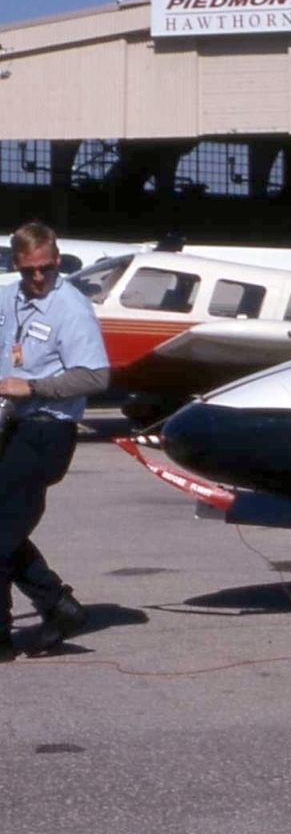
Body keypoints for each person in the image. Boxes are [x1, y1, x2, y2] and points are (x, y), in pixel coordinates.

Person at [0, 222, 109, 661]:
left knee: (2, 531)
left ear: (57, 261)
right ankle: (60, 607)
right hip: (13, 425)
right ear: (16, 266)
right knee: (5, 528)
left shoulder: (72, 308)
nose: (38, 279)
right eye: (29, 271)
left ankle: (5, 634)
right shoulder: (9, 297)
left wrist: (33, 387)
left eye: (45, 269)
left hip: (48, 429)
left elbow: (95, 375)